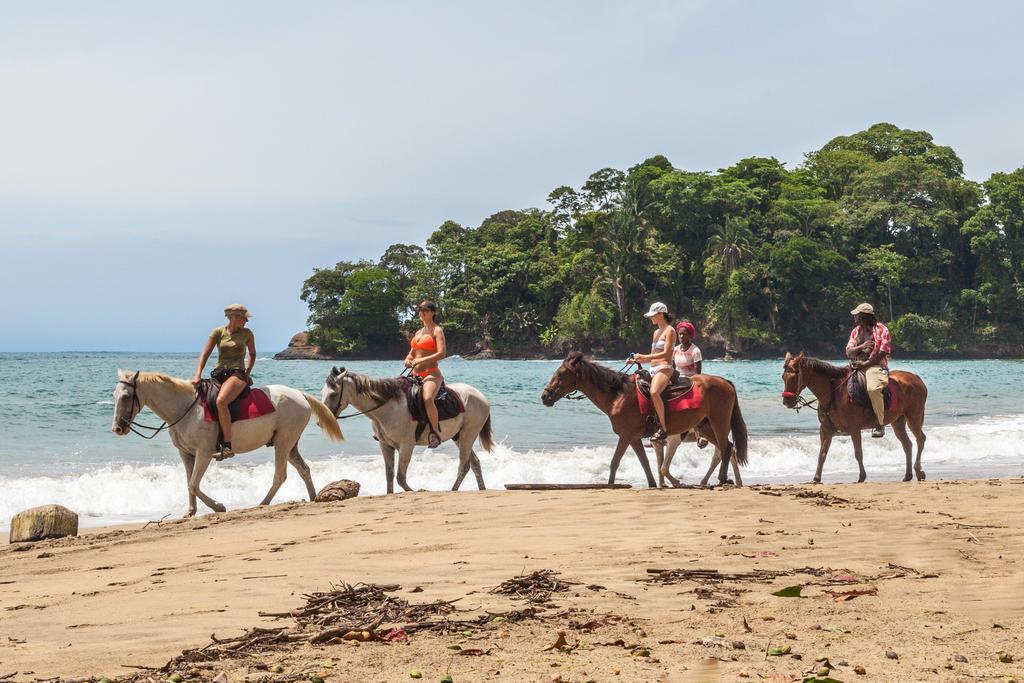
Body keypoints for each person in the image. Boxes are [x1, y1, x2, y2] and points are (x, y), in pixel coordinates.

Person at [191, 304, 256, 458]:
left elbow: (252, 354)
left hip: (237, 374)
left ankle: (227, 446)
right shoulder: (218, 332)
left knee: (221, 401)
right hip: (219, 374)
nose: (246, 321)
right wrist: (197, 375)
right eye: (244, 318)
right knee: (200, 399)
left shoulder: (247, 333)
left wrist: (247, 371)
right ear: (233, 317)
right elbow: (205, 354)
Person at [628, 302, 677, 443]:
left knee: (654, 392)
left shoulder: (670, 331)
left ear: (661, 314)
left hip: (665, 368)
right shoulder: (656, 332)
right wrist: (636, 360)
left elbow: (667, 354)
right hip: (653, 368)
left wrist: (644, 357)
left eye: (653, 315)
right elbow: (653, 355)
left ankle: (663, 429)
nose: (651, 318)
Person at [845, 302, 892, 438]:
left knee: (873, 389)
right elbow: (849, 351)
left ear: (865, 316)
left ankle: (880, 423)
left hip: (875, 366)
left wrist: (865, 364)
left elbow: (883, 352)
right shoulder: (856, 331)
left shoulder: (882, 330)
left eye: (857, 315)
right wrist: (862, 346)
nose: (855, 318)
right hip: (855, 365)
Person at [404, 300, 447, 448]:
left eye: (425, 310)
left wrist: (421, 359)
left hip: (431, 374)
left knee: (428, 399)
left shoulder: (437, 330)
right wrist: (408, 360)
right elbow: (412, 353)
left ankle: (435, 433)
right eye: (420, 310)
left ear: (433, 312)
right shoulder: (418, 333)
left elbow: (441, 354)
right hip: (415, 375)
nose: (422, 312)